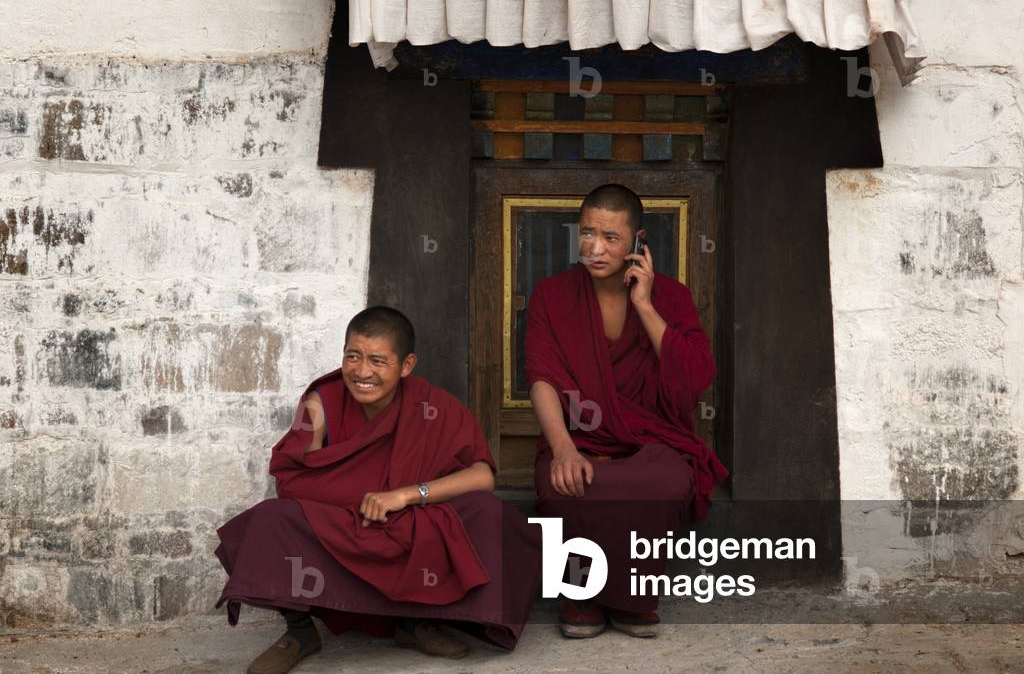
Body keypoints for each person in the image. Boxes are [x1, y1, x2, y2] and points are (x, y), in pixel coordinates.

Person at [214, 306, 540, 674]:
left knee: (489, 513)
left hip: (407, 514)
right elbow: (291, 478)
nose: (362, 372)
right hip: (346, 519)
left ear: (406, 365)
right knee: (272, 518)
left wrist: (403, 495)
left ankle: (413, 623)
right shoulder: (321, 403)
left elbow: (482, 476)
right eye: (353, 356)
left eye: (377, 361)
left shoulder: (431, 406)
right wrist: (361, 497)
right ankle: (300, 631)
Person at [525, 183, 729, 639]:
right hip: (580, 439)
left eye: (611, 238)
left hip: (650, 444)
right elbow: (542, 378)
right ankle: (580, 595)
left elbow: (696, 375)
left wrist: (645, 305)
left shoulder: (670, 297)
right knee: (565, 483)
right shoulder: (552, 296)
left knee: (666, 480)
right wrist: (561, 449)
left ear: (638, 240)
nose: (595, 249)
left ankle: (634, 599)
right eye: (587, 234)